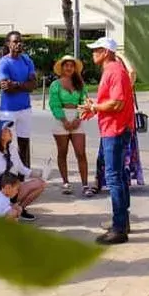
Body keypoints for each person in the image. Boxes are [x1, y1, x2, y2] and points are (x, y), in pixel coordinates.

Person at [79, 37, 134, 245]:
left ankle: (119, 227)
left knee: (113, 178)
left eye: (97, 49)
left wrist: (94, 108)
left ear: (107, 52)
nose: (93, 53)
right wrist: (95, 108)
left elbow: (117, 103)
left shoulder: (114, 71)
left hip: (116, 130)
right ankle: (122, 222)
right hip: (113, 128)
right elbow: (110, 102)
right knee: (118, 176)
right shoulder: (111, 71)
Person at [94, 53, 145, 192]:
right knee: (110, 161)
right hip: (114, 127)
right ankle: (100, 182)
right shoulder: (113, 77)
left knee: (116, 167)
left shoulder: (122, 78)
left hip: (117, 127)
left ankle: (106, 187)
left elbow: (132, 72)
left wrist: (121, 56)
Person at [0, 118, 46, 221]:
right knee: (9, 214)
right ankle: (4, 214)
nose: (10, 131)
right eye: (6, 130)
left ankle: (20, 209)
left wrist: (36, 173)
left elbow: (21, 168)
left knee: (40, 183)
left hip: (13, 189)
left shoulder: (12, 149)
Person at [48, 55, 93, 197]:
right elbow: (54, 104)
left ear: (74, 68)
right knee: (62, 152)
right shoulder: (55, 85)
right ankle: (65, 182)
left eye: (71, 66)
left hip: (77, 117)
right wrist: (64, 120)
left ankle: (85, 184)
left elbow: (84, 101)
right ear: (61, 68)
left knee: (81, 152)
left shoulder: (80, 84)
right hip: (61, 118)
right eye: (66, 65)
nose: (69, 68)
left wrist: (78, 118)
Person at [0, 31, 36, 169]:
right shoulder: (3, 63)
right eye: (15, 41)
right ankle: (6, 171)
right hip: (8, 110)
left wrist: (16, 84)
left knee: (24, 141)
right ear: (8, 44)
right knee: (6, 142)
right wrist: (22, 85)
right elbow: (6, 87)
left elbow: (33, 86)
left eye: (20, 41)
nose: (19, 44)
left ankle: (24, 171)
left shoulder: (27, 60)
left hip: (25, 108)